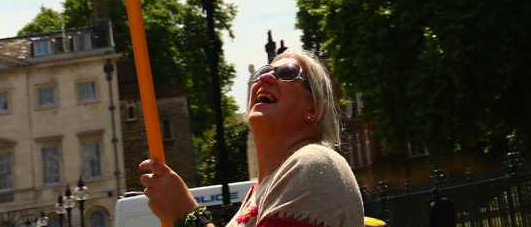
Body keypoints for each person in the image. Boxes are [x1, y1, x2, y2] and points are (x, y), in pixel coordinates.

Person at [140, 49, 364, 227]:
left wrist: (187, 216)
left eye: (286, 72)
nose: (265, 77)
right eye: (261, 72)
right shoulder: (258, 191)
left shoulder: (314, 163)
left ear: (313, 107)